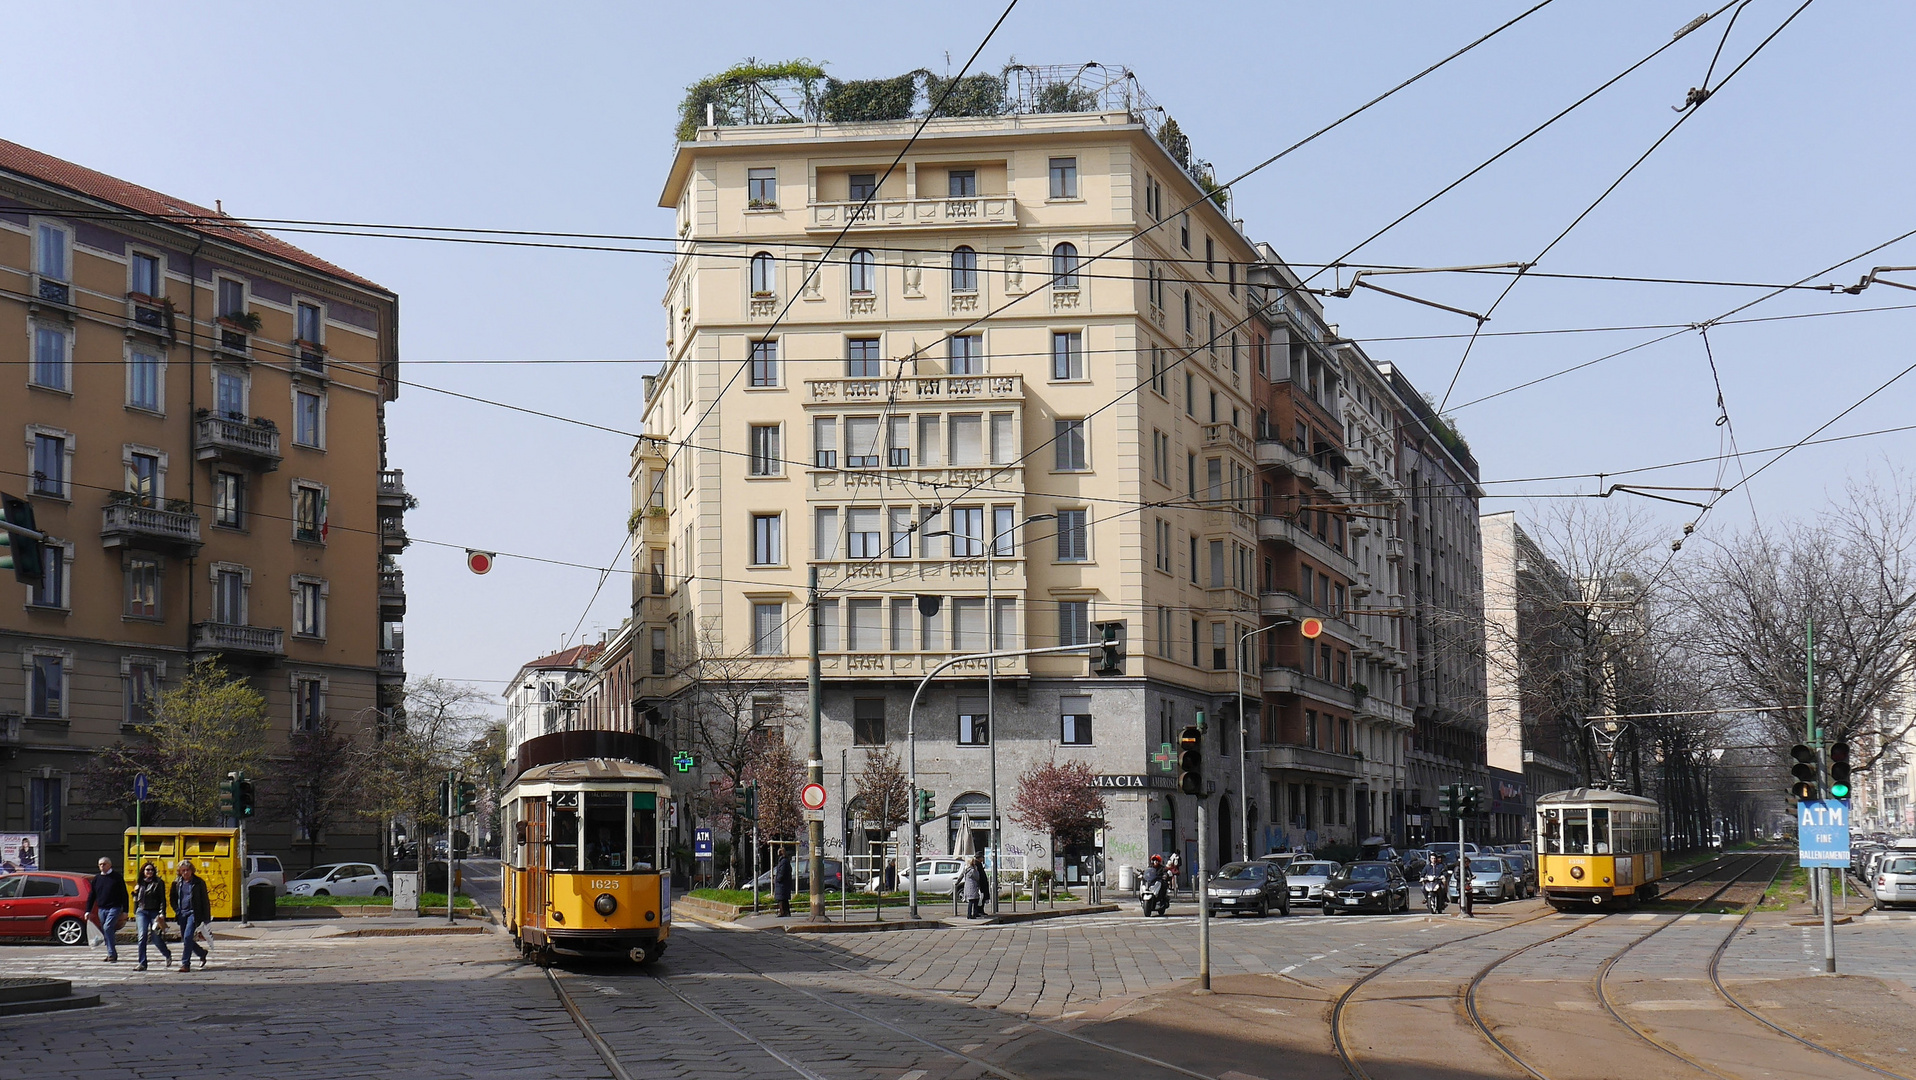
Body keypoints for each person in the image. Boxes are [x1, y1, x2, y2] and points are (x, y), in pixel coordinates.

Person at [170, 860, 211, 972]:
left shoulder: (198, 882)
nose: (185, 873)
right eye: (183, 871)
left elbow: (204, 901)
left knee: (188, 937)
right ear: (179, 872)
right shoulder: (176, 883)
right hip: (182, 913)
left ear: (192, 870)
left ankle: (185, 964)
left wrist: (206, 919)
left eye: (187, 870)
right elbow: (172, 898)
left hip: (194, 913)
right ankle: (201, 952)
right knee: (186, 939)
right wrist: (177, 910)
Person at [132, 861, 172, 972]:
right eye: (147, 870)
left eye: (151, 870)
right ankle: (142, 963)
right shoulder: (140, 882)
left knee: (156, 937)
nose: (149, 872)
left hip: (154, 912)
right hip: (142, 912)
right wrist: (135, 893)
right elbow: (136, 899)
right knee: (142, 936)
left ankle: (167, 953)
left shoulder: (159, 882)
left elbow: (162, 899)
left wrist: (162, 913)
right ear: (143, 872)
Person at [88, 857, 129, 963]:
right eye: (100, 864)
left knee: (107, 927)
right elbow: (92, 895)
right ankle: (111, 953)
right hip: (102, 908)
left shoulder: (116, 877)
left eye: (104, 864)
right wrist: (88, 911)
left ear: (110, 865)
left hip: (114, 907)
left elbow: (124, 894)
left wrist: (125, 911)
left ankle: (111, 953)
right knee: (106, 931)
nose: (102, 866)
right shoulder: (97, 878)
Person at [772, 852, 794, 918]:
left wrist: (778, 879)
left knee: (781, 898)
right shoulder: (785, 861)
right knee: (784, 898)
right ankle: (786, 912)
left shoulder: (783, 861)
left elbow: (782, 872)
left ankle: (783, 912)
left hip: (782, 883)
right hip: (784, 883)